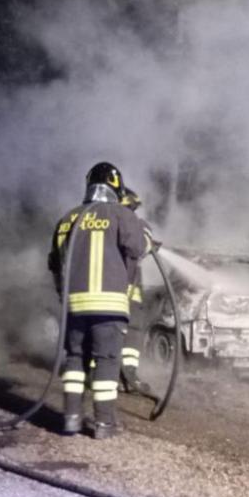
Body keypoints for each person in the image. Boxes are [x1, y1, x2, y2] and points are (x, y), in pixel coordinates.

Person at [47, 162, 150, 439]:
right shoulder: (120, 215)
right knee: (106, 361)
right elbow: (138, 248)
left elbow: (55, 264)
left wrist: (63, 298)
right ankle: (104, 424)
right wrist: (148, 236)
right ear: (116, 187)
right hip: (109, 307)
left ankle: (70, 420)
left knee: (75, 361)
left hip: (75, 307)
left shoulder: (68, 219)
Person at [117, 185, 160, 396]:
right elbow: (141, 245)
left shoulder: (106, 224)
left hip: (117, 294)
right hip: (124, 295)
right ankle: (126, 375)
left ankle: (126, 374)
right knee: (127, 334)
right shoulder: (139, 225)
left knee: (126, 334)